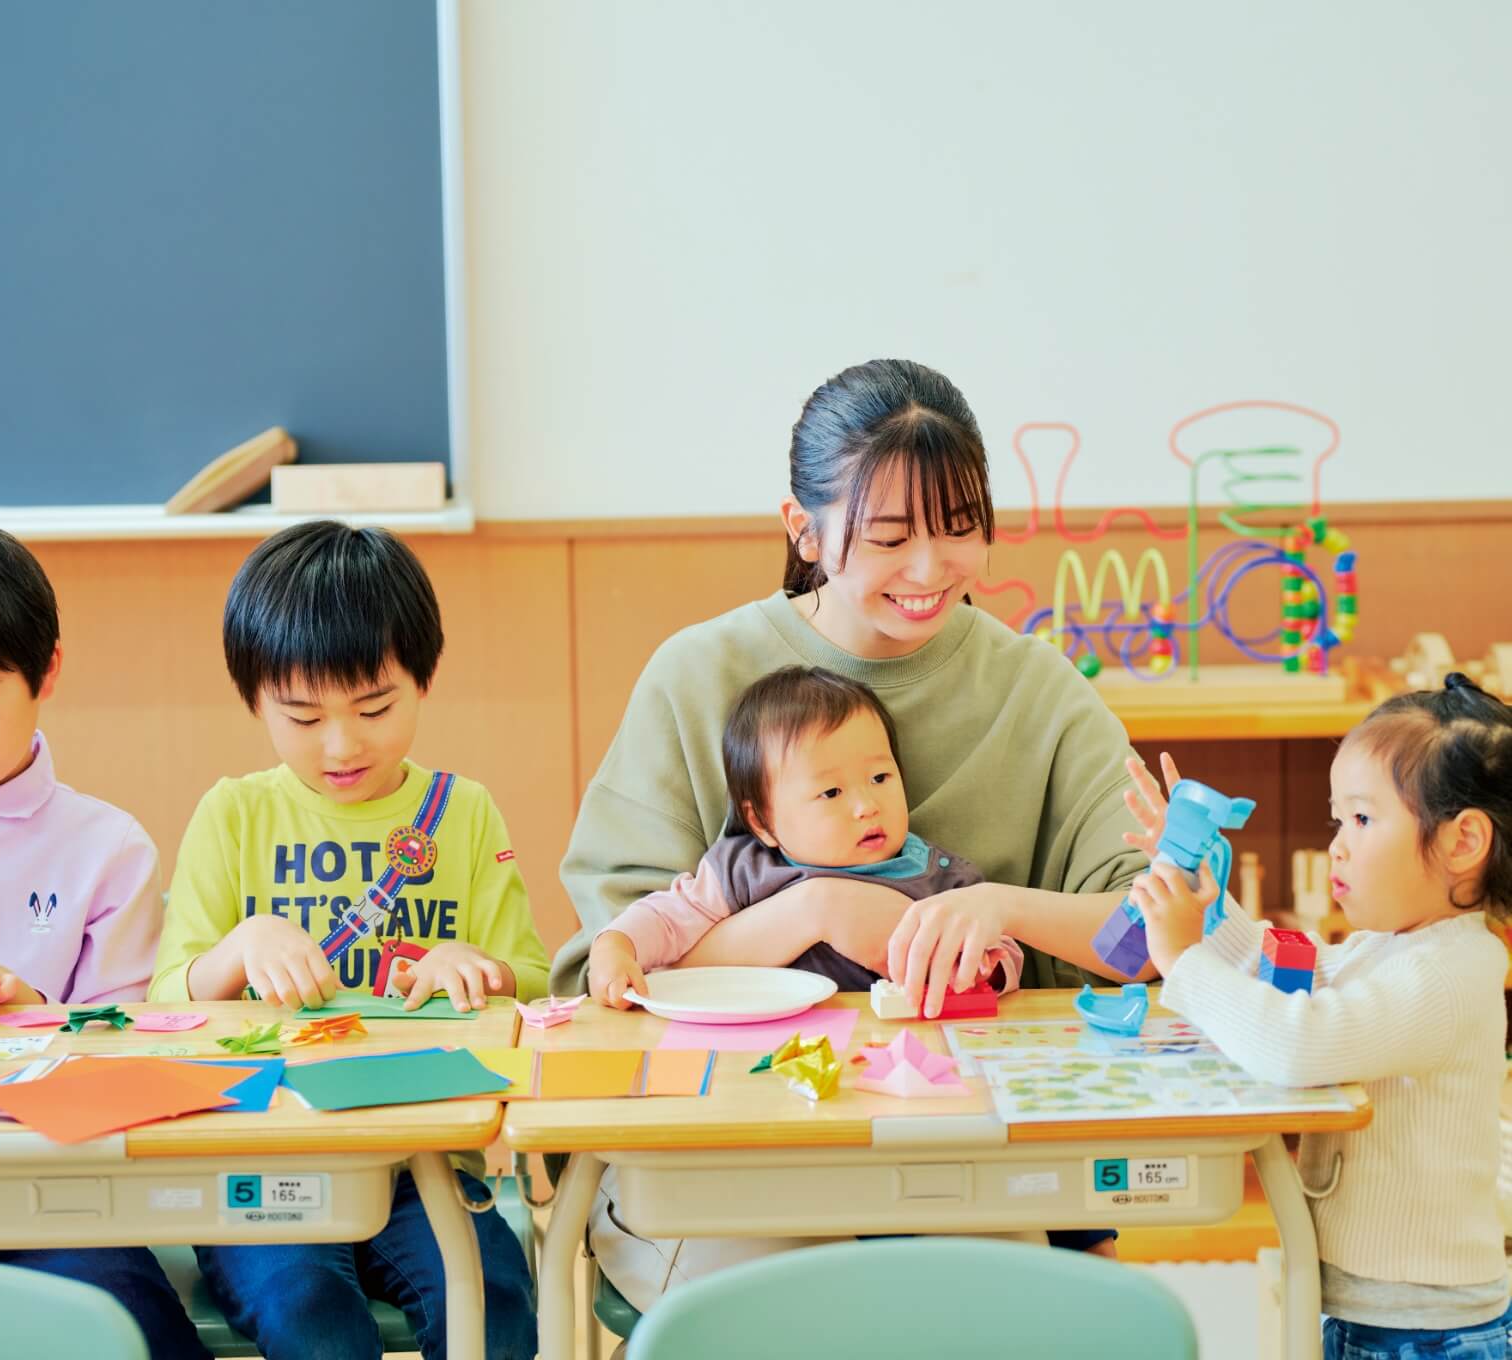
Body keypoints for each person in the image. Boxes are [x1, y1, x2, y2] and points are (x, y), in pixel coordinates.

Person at [559, 359, 1150, 1308]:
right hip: (725, 1148)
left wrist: (997, 911)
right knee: (782, 1309)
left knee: (997, 1303)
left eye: (959, 527)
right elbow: (611, 976)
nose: (929, 569)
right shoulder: (697, 675)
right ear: (803, 528)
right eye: (889, 537)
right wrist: (819, 910)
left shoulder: (1040, 693)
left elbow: (1144, 937)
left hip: (961, 1140)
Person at [148, 521, 545, 1360]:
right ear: (254, 699)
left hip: (422, 1160)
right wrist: (241, 946)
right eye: (302, 715)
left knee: (495, 1304)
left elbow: (536, 985)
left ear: (423, 680)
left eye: (374, 708)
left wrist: (478, 968)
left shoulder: (462, 812)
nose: (341, 744)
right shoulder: (234, 814)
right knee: (312, 1318)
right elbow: (165, 1003)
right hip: (267, 1160)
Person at [0, 519, 209, 1360]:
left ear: (46, 671)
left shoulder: (107, 848)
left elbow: (137, 1058)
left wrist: (35, 1010)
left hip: (45, 1193)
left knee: (130, 1322)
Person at [1126, 675, 1512, 1359]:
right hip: (1377, 1310)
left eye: (1360, 820)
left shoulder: (1446, 973)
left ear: (1462, 843)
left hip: (1423, 1329)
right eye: (1338, 821)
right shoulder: (1391, 946)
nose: (1336, 844)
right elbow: (1284, 973)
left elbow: (1296, 1042)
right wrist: (1193, 882)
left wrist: (1183, 961)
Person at [588, 665, 1022, 1005]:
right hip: (767, 1047)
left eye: (880, 777)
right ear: (762, 822)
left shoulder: (939, 877)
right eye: (831, 792)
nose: (866, 806)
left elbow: (1003, 955)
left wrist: (988, 967)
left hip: (893, 1048)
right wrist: (617, 948)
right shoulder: (741, 870)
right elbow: (665, 921)